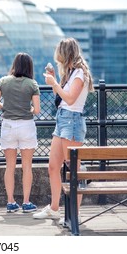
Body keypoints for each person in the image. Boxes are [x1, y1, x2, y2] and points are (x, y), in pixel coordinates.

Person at [33, 37, 94, 220]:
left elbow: (70, 99)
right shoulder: (70, 73)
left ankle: (75, 213)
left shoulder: (79, 74)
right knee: (53, 166)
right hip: (62, 120)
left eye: (60, 53)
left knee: (73, 169)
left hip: (72, 121)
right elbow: (61, 99)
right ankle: (54, 208)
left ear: (66, 53)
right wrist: (55, 81)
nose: (57, 56)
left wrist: (55, 84)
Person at [0, 52, 40, 213]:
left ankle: (11, 202)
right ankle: (26, 202)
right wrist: (29, 109)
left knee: (10, 166)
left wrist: (6, 107)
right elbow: (37, 110)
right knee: (27, 166)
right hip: (26, 125)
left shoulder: (3, 81)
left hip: (8, 126)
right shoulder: (32, 84)